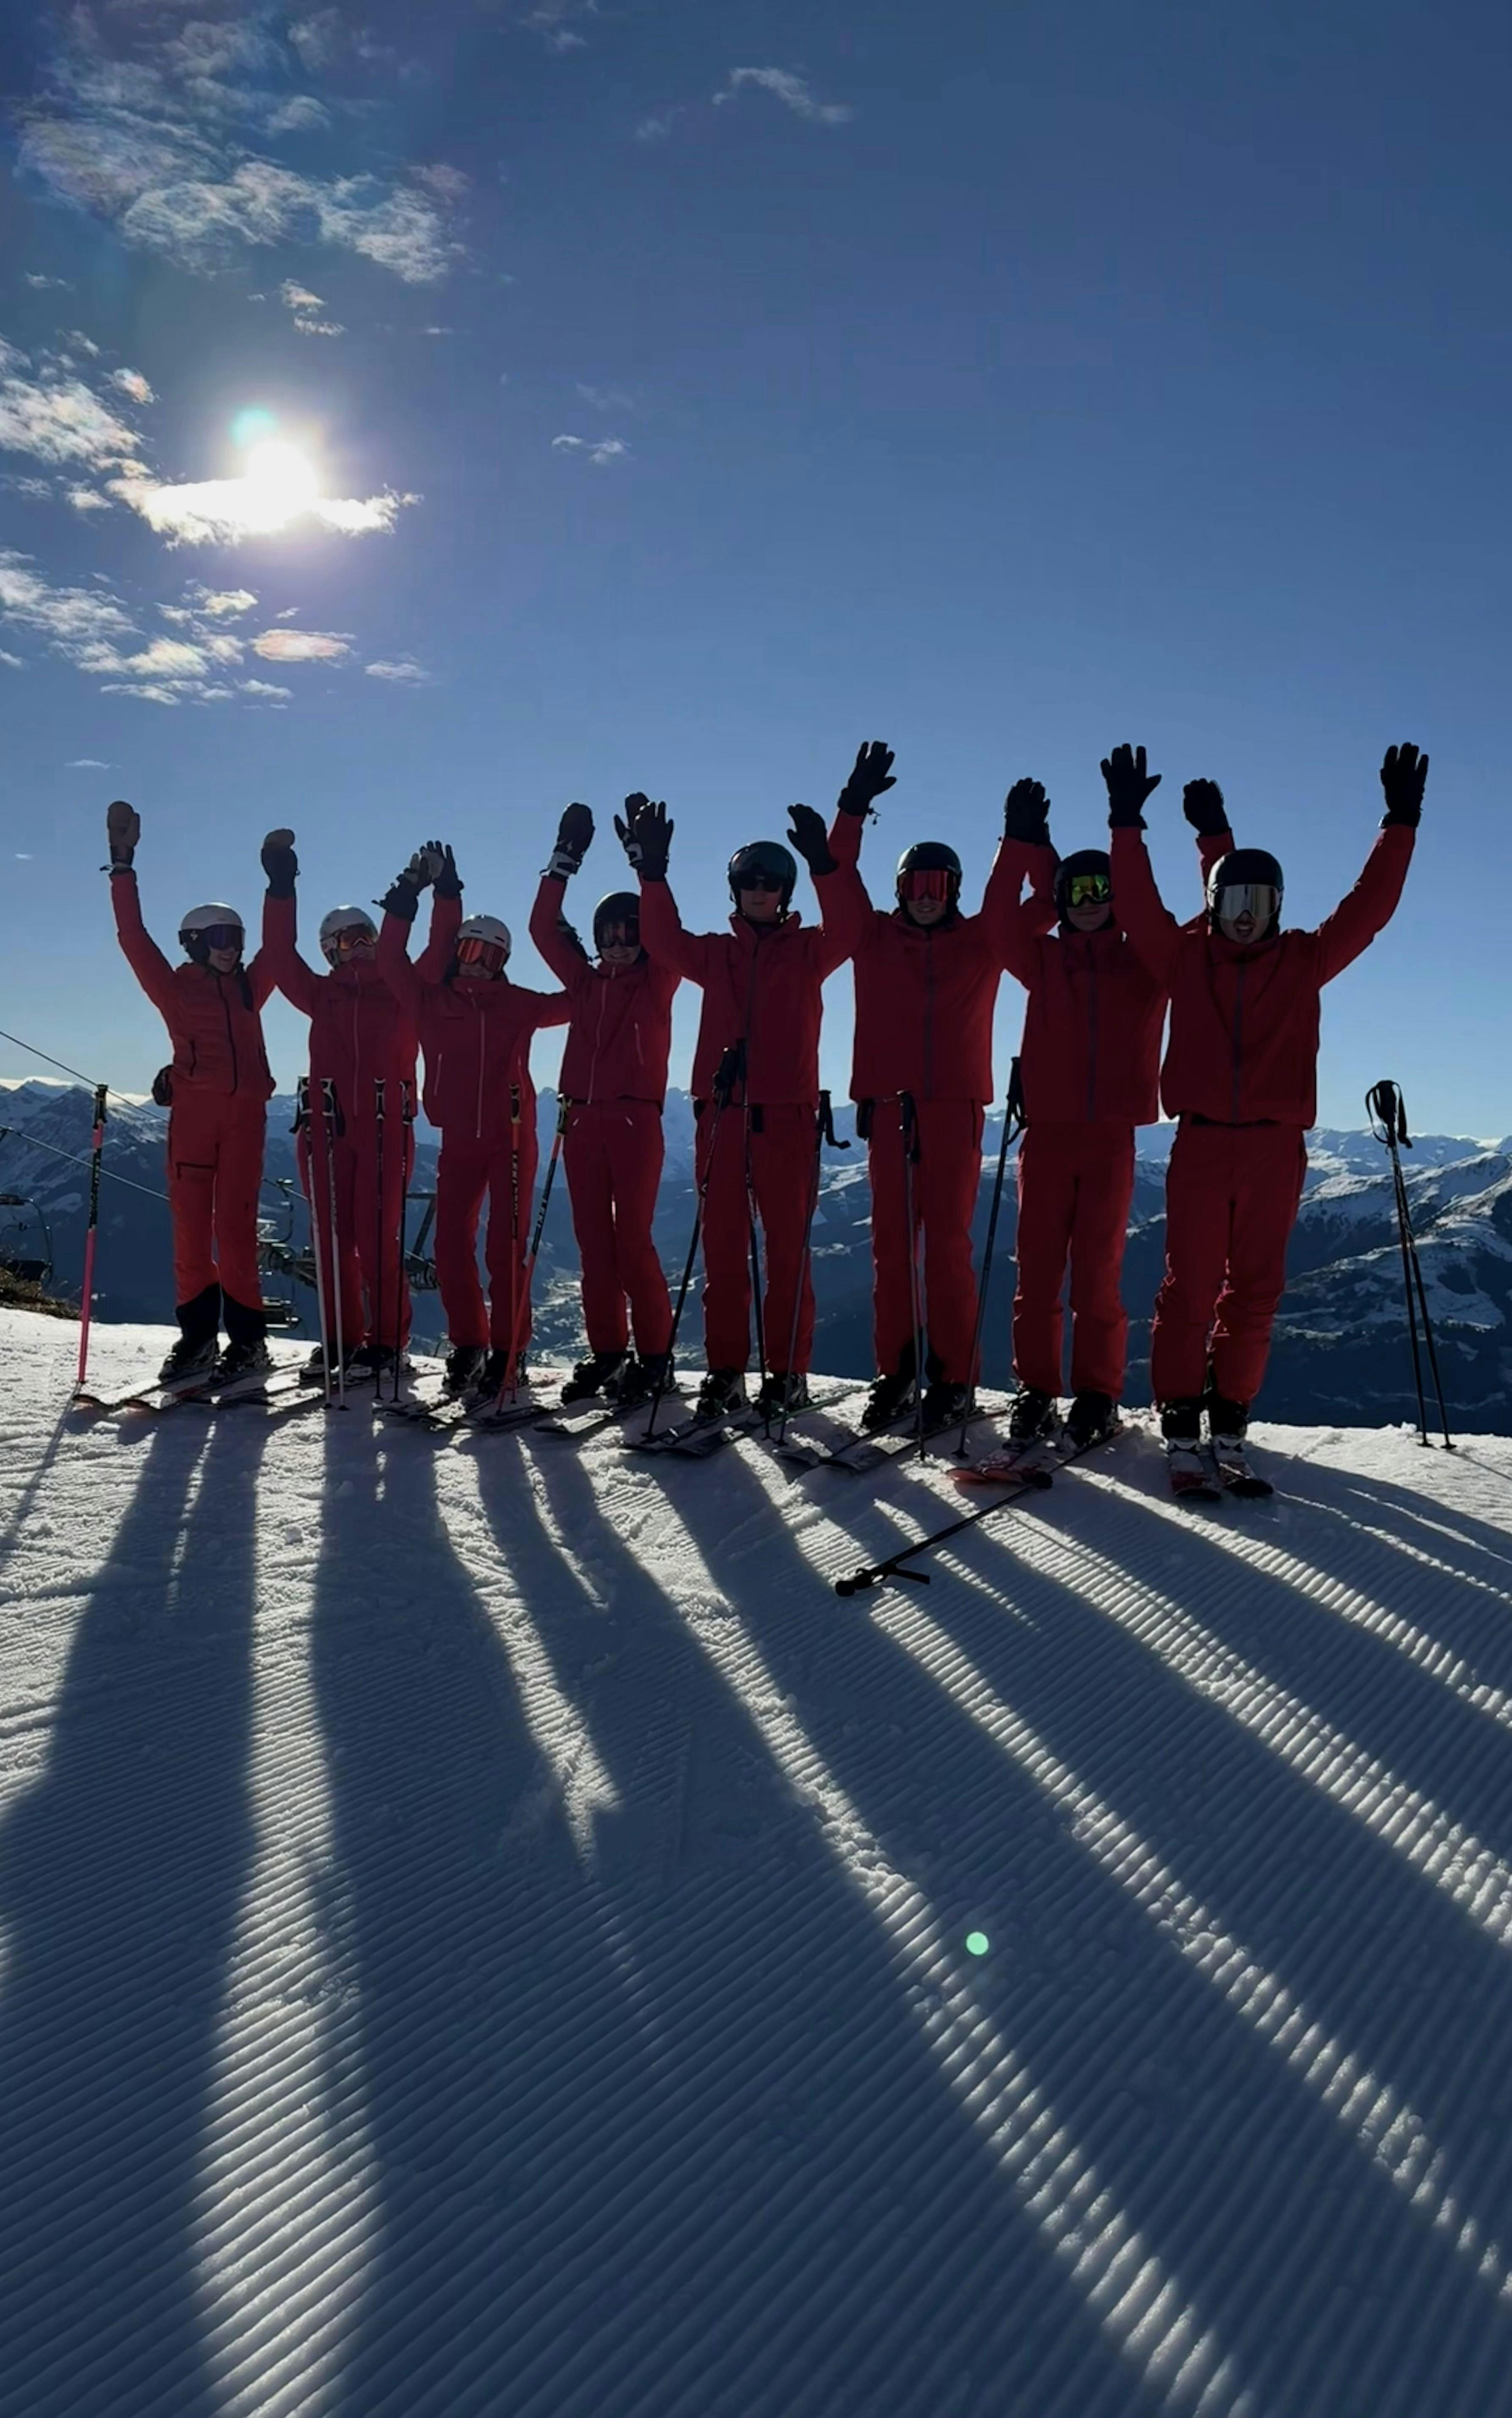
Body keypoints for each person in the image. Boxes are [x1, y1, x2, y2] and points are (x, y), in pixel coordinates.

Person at [1106, 738, 1424, 1485]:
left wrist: (1399, 822)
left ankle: (1232, 1412)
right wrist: (1127, 825)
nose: (1245, 917)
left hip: (1275, 1148)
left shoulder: (1306, 960)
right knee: (1189, 1285)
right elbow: (1139, 907)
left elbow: (1369, 910)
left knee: (1255, 1289)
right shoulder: (1185, 960)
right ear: (1213, 905)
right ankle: (1180, 1411)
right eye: (1232, 902)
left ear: (1279, 908)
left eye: (1261, 904)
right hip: (1204, 1142)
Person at [996, 767, 1235, 1451]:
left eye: (1104, 889)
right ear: (1061, 899)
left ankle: (1097, 1394)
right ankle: (1037, 1390)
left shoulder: (1150, 963)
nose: (1092, 900)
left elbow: (1222, 910)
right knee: (1037, 1271)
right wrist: (1023, 847)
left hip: (1109, 1140)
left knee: (1097, 1273)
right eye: (1077, 890)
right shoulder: (1039, 960)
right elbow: (995, 918)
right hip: (1045, 1136)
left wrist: (1212, 837)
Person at [823, 742, 1056, 1433]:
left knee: (947, 1248)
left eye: (939, 886)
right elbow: (837, 880)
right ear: (901, 891)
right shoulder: (871, 937)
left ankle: (954, 1378)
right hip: (889, 1108)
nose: (926, 898)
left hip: (954, 1109)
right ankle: (896, 1373)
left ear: (955, 890)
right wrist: (852, 808)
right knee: (890, 1250)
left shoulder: (986, 939)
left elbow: (1045, 899)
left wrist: (1022, 842)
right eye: (915, 886)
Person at [617, 788, 856, 1420]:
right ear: (735, 888)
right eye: (750, 881)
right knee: (723, 1253)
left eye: (773, 883)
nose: (761, 890)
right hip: (721, 1118)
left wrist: (827, 863)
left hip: (786, 1118)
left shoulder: (808, 952)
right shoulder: (715, 954)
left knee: (786, 1255)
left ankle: (786, 1374)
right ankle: (726, 1371)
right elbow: (660, 939)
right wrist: (653, 875)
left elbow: (854, 928)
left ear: (786, 892)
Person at [377, 845, 570, 1397]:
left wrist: (587, 952)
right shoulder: (430, 1001)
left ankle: (509, 1353)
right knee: (450, 1249)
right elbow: (390, 959)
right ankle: (469, 1346)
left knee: (503, 1248)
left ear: (502, 962)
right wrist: (418, 893)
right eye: (468, 947)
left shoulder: (518, 1004)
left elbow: (580, 1000)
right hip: (459, 1138)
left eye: (489, 954)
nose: (476, 960)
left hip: (511, 1138)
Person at [105, 798, 276, 1390]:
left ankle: (249, 1345)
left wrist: (281, 883)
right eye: (221, 937)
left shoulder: (252, 988)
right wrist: (122, 865)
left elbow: (279, 947)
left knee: (234, 1228)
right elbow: (133, 938)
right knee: (189, 1231)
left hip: (246, 1120)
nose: (233, 946)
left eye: (237, 936)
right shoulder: (177, 990)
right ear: (196, 943)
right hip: (196, 1121)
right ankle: (199, 1338)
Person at [529, 803, 680, 1407]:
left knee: (633, 1241)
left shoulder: (658, 979)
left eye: (630, 933)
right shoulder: (585, 984)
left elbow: (667, 935)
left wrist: (651, 870)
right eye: (610, 935)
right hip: (582, 1121)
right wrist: (562, 862)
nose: (619, 944)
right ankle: (609, 1353)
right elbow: (543, 929)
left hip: (634, 1121)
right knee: (594, 1243)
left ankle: (656, 1358)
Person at [258, 828, 421, 1383]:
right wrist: (282, 886)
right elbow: (279, 956)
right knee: (331, 1240)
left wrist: (413, 905)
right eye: (344, 941)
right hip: (325, 1130)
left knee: (377, 1239)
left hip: (382, 1128)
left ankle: (388, 1342)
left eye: (364, 937)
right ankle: (341, 1340)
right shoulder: (320, 994)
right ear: (329, 951)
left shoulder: (404, 991)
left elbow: (441, 950)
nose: (356, 949)